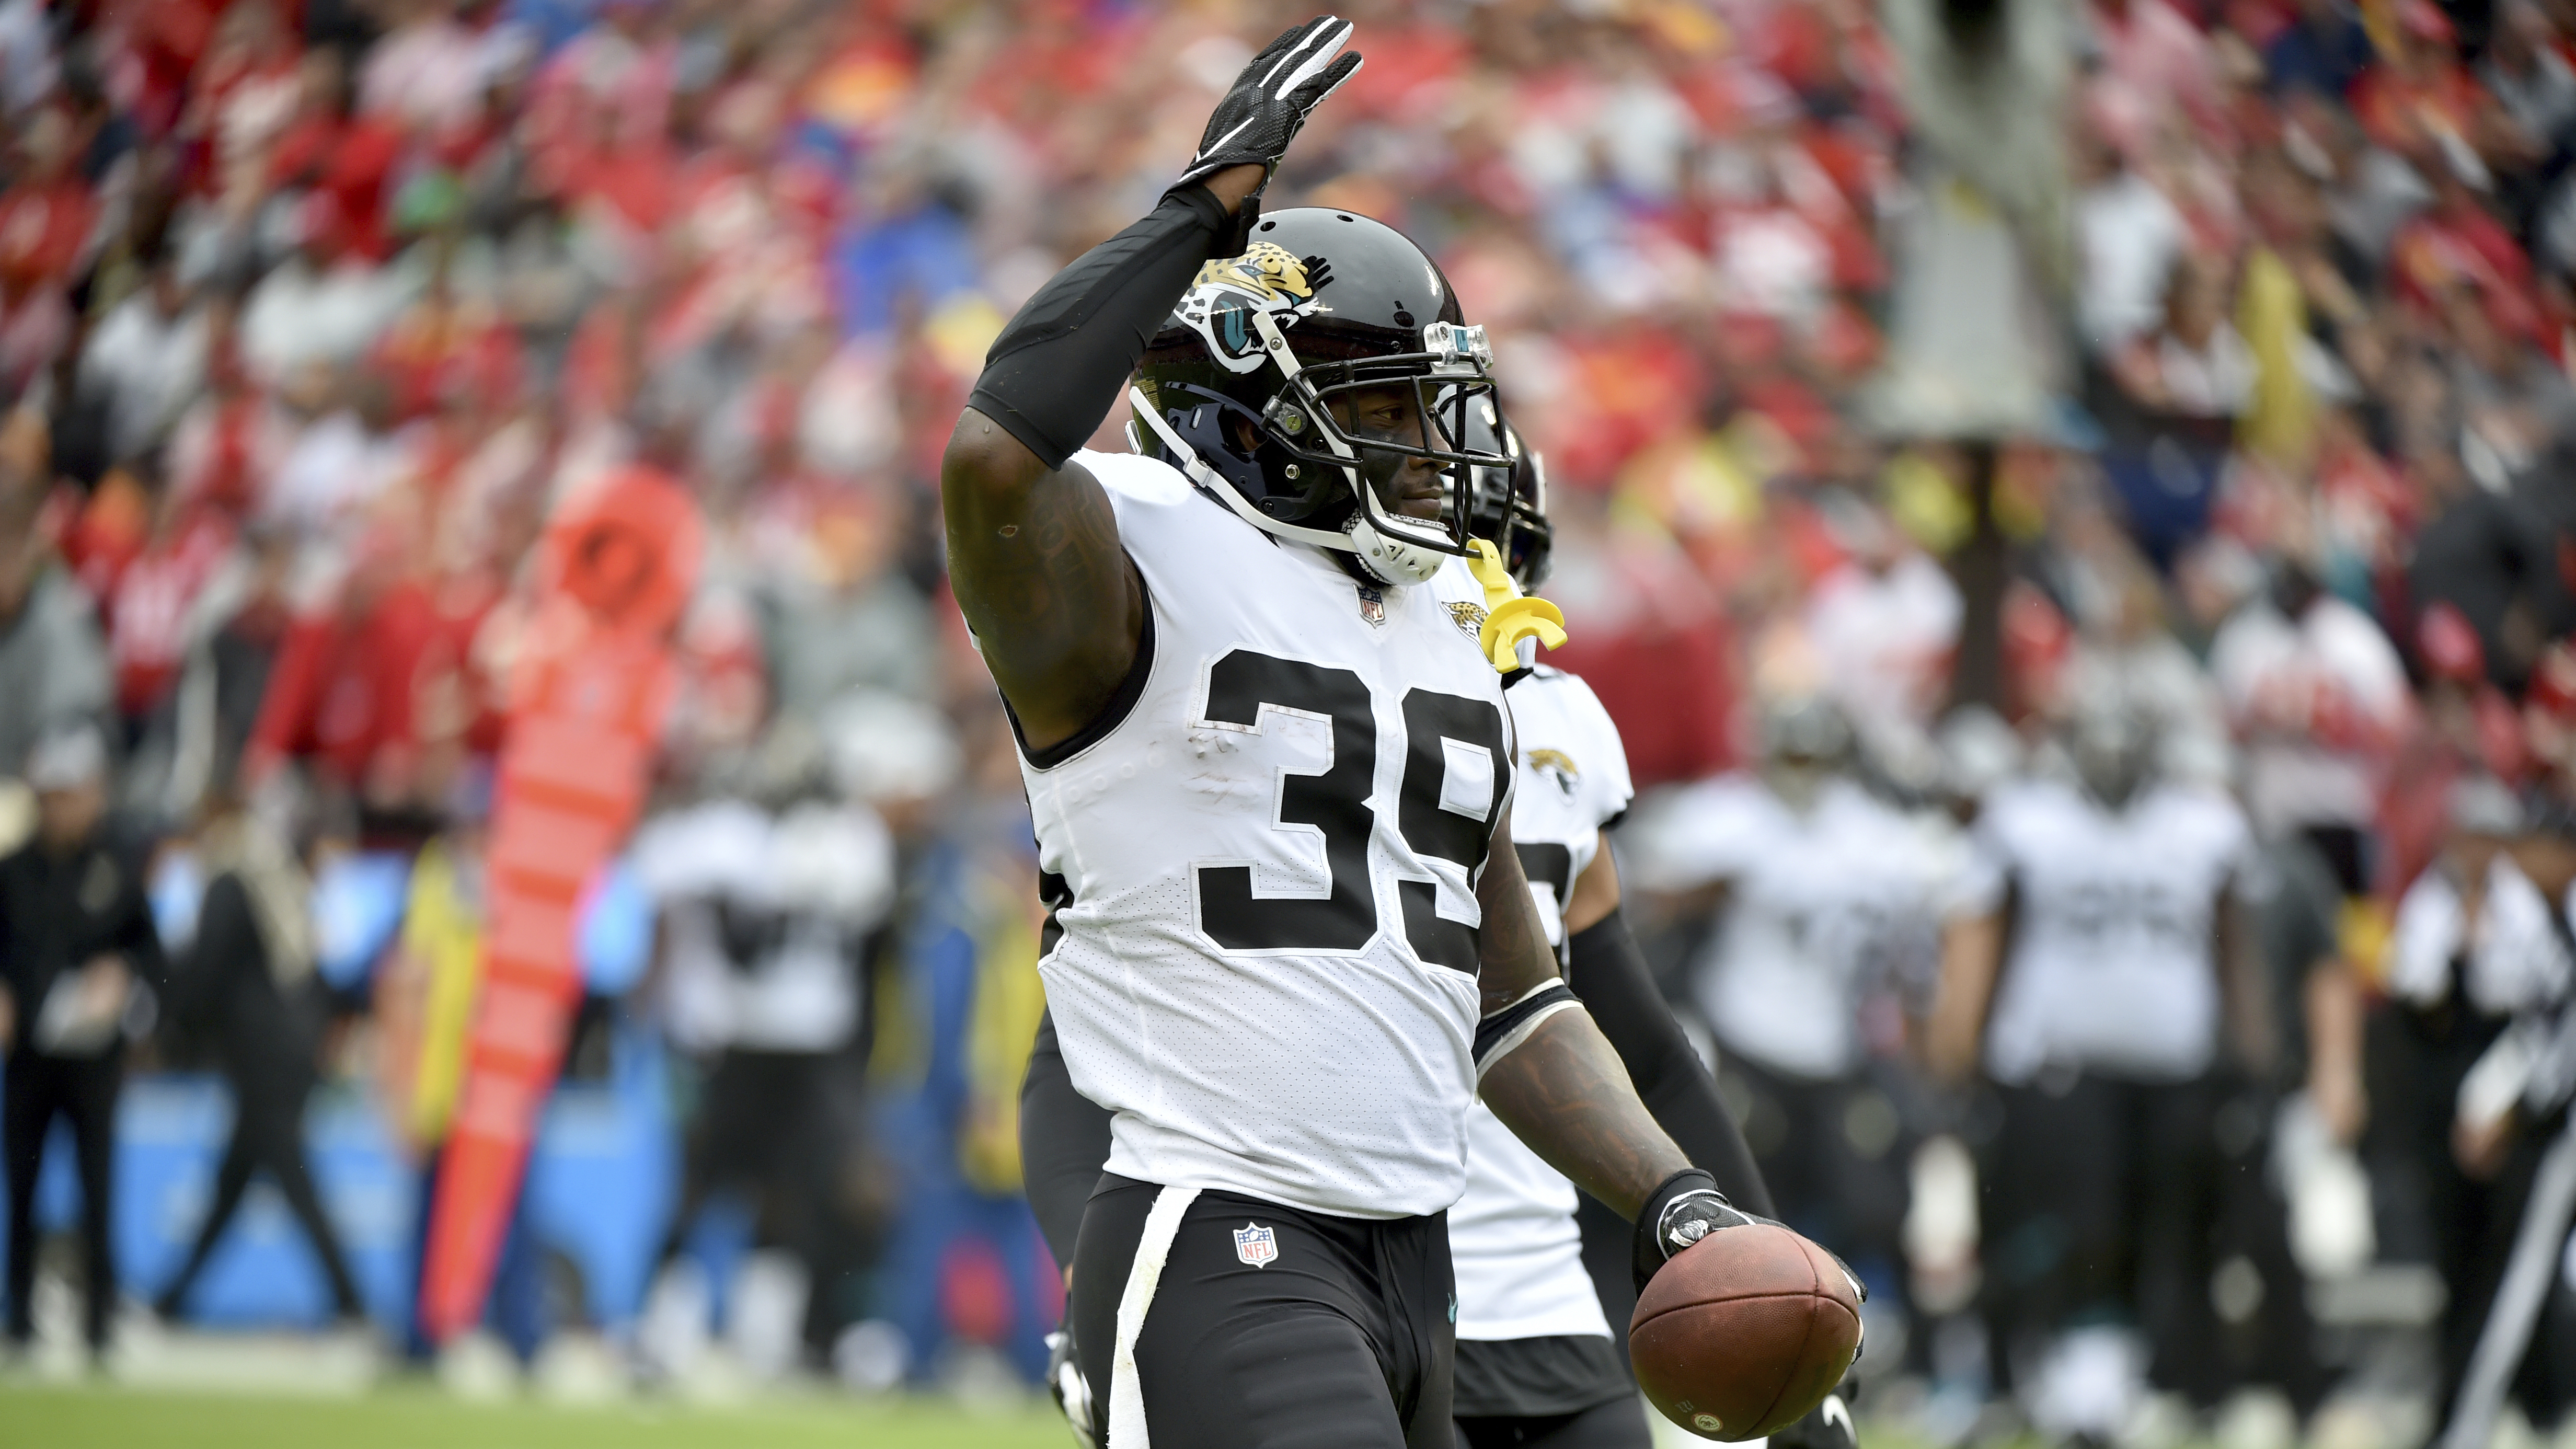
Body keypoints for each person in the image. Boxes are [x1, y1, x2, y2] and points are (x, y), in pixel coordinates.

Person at [943, 19, 1774, 1445]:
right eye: (1384, 403)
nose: (1428, 448)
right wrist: (1195, 218)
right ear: (1254, 408)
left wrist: (1672, 1195)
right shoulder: (1129, 557)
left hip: (1413, 1262)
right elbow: (991, 453)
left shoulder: (1440, 626)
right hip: (1224, 1236)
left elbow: (1519, 1001)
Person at [1929, 703, 2279, 1440]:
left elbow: (2233, 942)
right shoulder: (2027, 819)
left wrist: (2256, 1052)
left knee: (2171, 1229)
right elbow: (1985, 930)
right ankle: (2054, 1373)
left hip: (2174, 1070)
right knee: (2072, 1226)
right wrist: (1961, 1041)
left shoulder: (2203, 824)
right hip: (2059, 1065)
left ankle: (2148, 1378)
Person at [152, 796, 367, 1328]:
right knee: (238, 1178)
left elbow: (207, 968)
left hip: (261, 1050)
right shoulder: (271, 869)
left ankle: (353, 1304)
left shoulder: (230, 877)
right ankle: (171, 1300)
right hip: (292, 1043)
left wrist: (166, 1024)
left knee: (292, 1178)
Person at [0, 724, 164, 1361]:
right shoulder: (13, 872)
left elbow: (155, 956)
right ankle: (19, 1317)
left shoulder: (117, 870)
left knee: (99, 1186)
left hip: (95, 1058)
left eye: (75, 793)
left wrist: (124, 982)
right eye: (55, 794)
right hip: (28, 1057)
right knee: (23, 1184)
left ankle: (99, 1322)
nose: (65, 806)